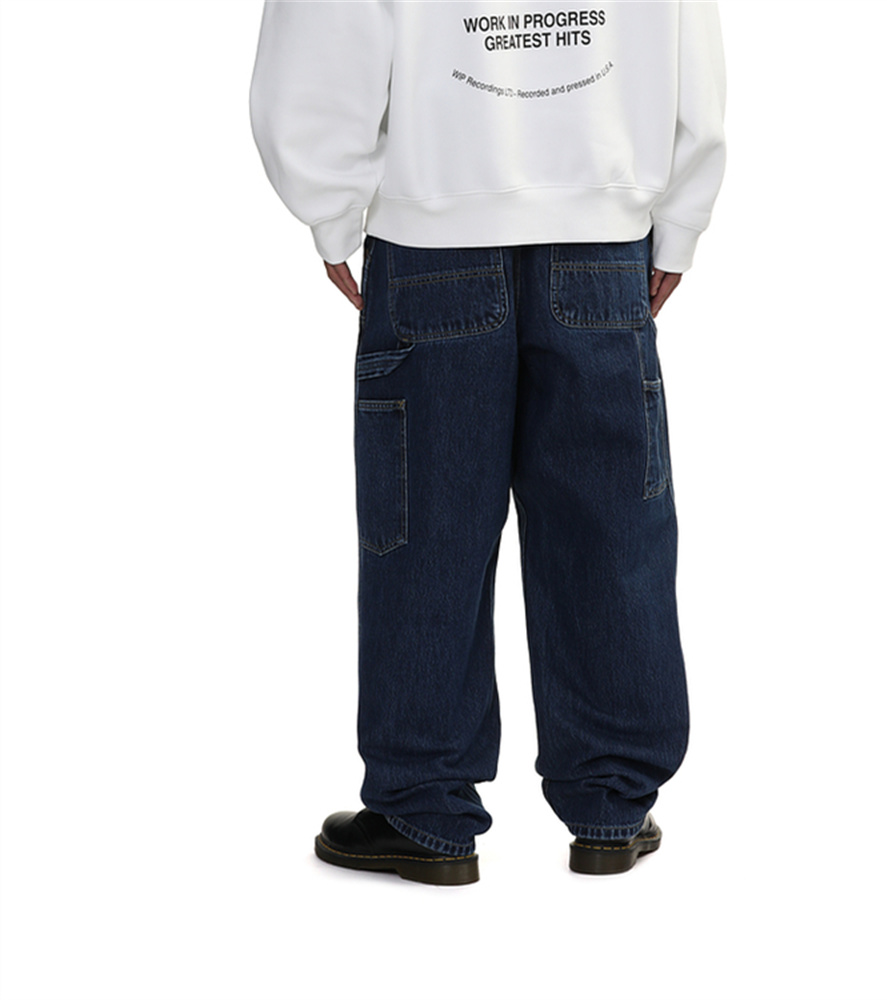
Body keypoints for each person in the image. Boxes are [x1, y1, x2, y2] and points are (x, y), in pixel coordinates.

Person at [249, 0, 726, 885]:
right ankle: (611, 805)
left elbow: (322, 37)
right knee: (612, 528)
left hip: (433, 230)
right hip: (601, 235)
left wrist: (330, 206)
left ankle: (424, 811)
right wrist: (682, 215)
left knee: (425, 528)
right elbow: (687, 37)